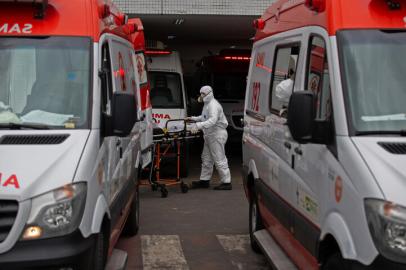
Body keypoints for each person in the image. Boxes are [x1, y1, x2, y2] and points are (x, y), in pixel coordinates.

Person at [187, 85, 232, 190]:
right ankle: (204, 180)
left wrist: (197, 126)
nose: (201, 96)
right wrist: (193, 119)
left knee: (219, 158)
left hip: (216, 135)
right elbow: (204, 117)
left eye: (203, 94)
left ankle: (226, 182)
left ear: (208, 94)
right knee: (206, 158)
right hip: (209, 135)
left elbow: (212, 120)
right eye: (201, 93)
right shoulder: (207, 104)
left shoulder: (213, 105)